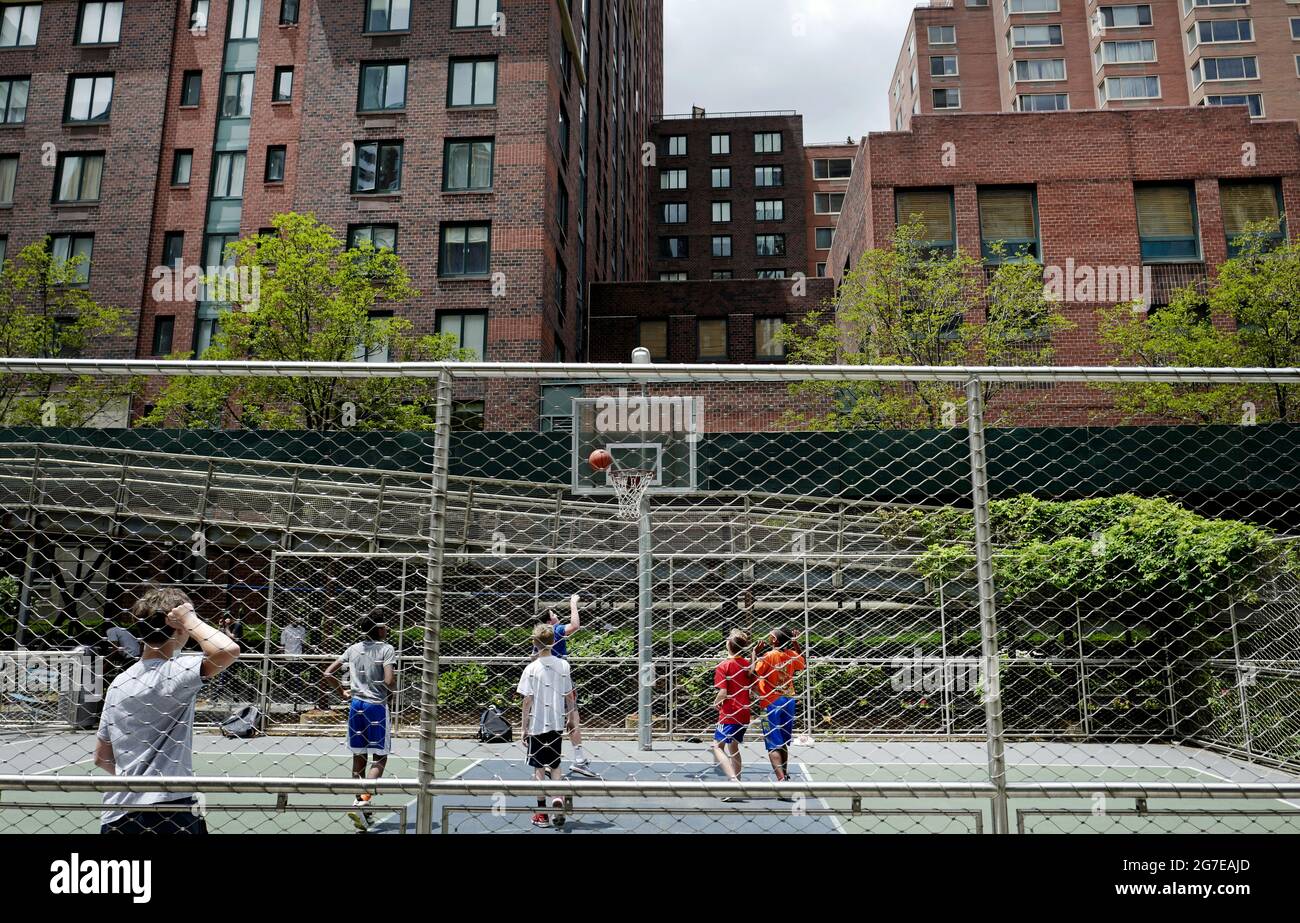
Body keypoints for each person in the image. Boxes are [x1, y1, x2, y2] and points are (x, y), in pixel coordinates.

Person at [94, 586, 241, 834]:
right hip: (168, 807)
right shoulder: (176, 671)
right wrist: (190, 619)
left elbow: (101, 756)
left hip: (118, 811)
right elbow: (227, 650)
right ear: (179, 626)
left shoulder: (120, 682)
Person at [323, 613, 396, 832]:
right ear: (380, 629)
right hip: (376, 707)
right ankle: (363, 800)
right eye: (384, 626)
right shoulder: (386, 649)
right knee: (380, 757)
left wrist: (342, 691)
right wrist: (390, 691)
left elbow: (328, 673)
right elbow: (388, 680)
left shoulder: (352, 649)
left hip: (356, 707)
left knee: (359, 757)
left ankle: (362, 807)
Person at [519, 623, 576, 829]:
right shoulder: (563, 666)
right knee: (556, 765)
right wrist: (571, 718)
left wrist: (524, 727)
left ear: (535, 643)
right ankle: (557, 798)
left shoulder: (531, 669)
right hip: (556, 723)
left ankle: (542, 814)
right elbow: (569, 695)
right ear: (554, 641)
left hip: (537, 724)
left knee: (538, 769)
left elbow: (527, 700)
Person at [534, 592, 595, 777]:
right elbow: (575, 625)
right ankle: (578, 760)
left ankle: (545, 760)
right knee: (572, 718)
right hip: (561, 680)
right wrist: (573, 603)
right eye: (553, 614)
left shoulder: (537, 638)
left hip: (544, 682)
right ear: (549, 621)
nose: (556, 615)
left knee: (547, 720)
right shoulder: (556, 631)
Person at [753, 627, 806, 786]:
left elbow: (753, 672)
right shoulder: (791, 655)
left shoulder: (768, 656)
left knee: (772, 743)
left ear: (775, 640)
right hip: (788, 701)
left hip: (770, 703)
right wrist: (796, 644)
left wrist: (755, 653)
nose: (768, 637)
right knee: (782, 741)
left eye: (771, 635)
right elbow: (803, 662)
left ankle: (781, 779)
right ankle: (785, 774)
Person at [712, 629, 753, 799]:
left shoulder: (724, 665)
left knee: (717, 746)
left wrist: (715, 703)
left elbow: (723, 691)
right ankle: (738, 782)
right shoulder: (747, 664)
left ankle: (734, 780)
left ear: (729, 644)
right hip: (744, 711)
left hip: (730, 712)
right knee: (733, 747)